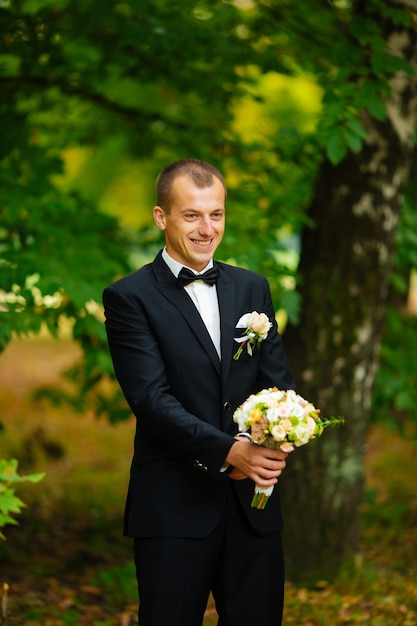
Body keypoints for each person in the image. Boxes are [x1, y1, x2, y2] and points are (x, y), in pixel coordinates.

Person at [102, 158, 295, 626]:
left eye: (217, 214)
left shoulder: (253, 287)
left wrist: (271, 442)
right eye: (191, 215)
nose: (207, 228)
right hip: (172, 506)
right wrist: (231, 451)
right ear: (161, 217)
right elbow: (151, 401)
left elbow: (278, 386)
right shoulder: (130, 297)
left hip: (252, 506)